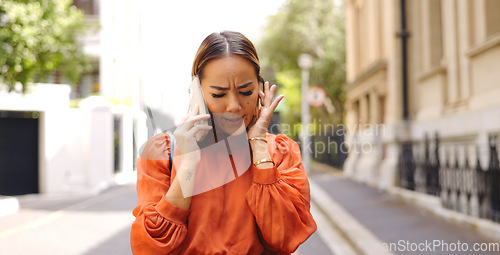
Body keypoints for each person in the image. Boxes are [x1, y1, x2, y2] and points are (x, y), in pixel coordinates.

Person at [131, 31, 317, 254]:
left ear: (260, 89)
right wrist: (188, 164)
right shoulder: (164, 152)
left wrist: (258, 145)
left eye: (245, 91)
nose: (234, 106)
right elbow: (150, 246)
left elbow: (285, 235)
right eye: (219, 94)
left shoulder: (279, 152)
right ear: (197, 93)